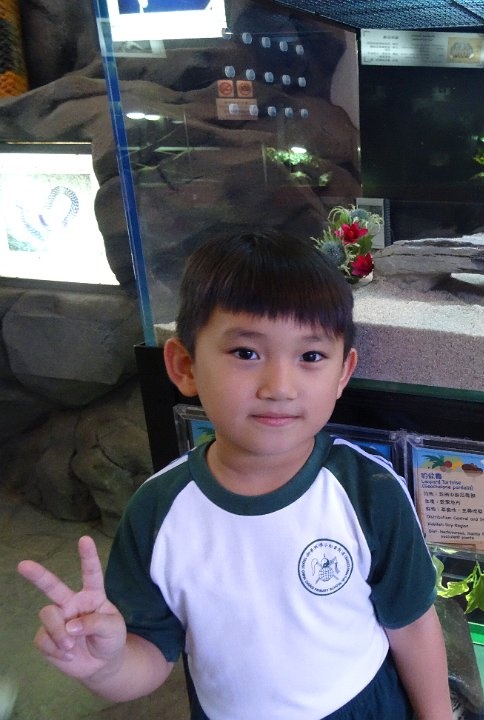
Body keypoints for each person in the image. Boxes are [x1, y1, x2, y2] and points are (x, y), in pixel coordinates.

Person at [18, 229, 452, 720]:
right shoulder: (157, 511)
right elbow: (150, 657)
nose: (279, 387)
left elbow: (412, 625)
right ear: (185, 366)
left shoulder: (369, 491)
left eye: (311, 356)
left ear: (342, 373)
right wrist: (104, 664)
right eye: (246, 353)